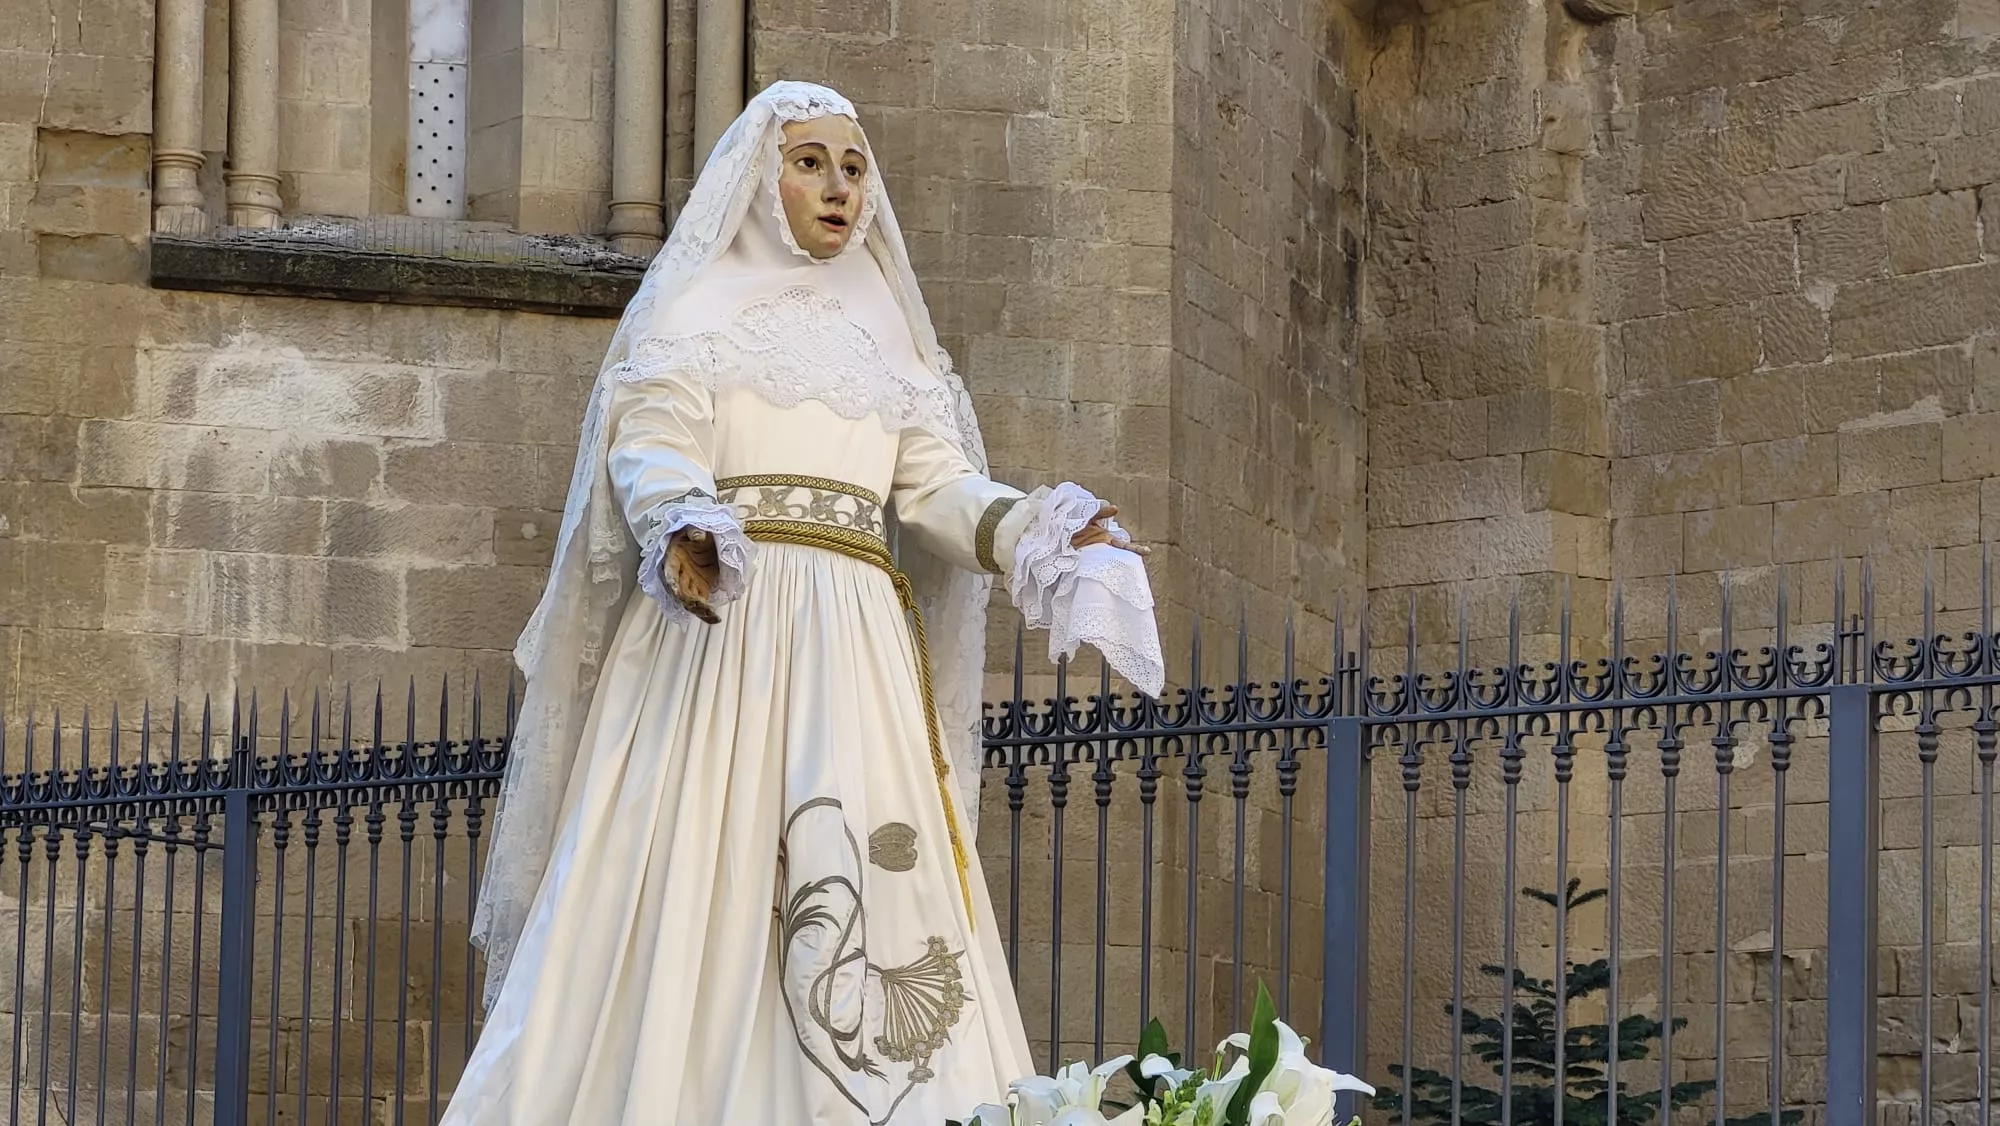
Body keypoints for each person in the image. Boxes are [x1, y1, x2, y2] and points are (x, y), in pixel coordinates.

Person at [442, 81, 1165, 1124]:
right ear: (758, 178)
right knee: (700, 861)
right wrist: (683, 519)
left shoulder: (890, 337)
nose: (838, 187)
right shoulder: (693, 312)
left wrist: (1031, 530)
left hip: (854, 641)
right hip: (723, 615)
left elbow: (931, 486)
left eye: (854, 167)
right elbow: (649, 438)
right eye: (811, 162)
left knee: (868, 862)